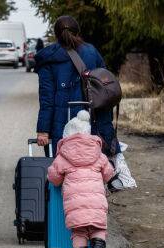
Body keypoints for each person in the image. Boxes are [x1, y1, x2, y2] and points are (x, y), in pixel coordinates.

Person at [34, 16, 120, 158]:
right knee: (91, 163)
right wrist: (106, 123)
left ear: (56, 34)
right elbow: (104, 89)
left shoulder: (48, 57)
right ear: (78, 32)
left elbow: (46, 98)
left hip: (61, 124)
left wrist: (43, 130)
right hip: (92, 120)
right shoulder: (92, 52)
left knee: (62, 166)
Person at [47, 110, 115, 248]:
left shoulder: (63, 155)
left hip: (75, 204)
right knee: (98, 228)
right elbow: (108, 173)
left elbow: (54, 178)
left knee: (79, 232)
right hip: (96, 201)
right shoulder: (98, 153)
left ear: (67, 135)